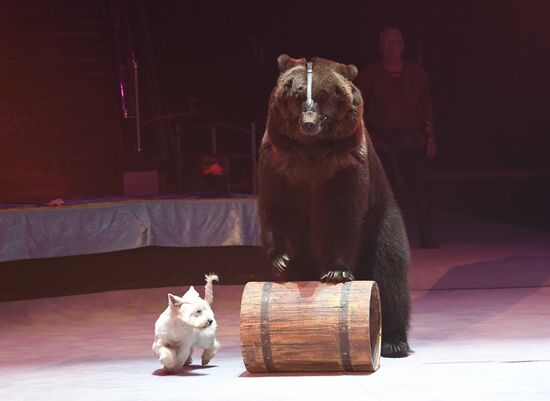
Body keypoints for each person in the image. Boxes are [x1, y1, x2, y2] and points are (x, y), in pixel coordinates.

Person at [356, 27, 439, 248]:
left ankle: (427, 236)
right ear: (380, 47)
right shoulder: (369, 76)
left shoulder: (417, 75)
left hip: (413, 139)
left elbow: (426, 107)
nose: (393, 47)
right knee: (385, 194)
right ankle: (387, 240)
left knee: (420, 187)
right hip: (382, 141)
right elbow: (359, 110)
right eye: (387, 43)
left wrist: (430, 137)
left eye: (397, 43)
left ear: (403, 46)